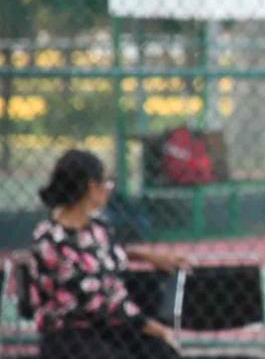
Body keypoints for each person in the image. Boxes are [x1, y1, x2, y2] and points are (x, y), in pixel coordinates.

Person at [30, 149, 188, 359]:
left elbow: (106, 252)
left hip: (110, 329)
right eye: (106, 182)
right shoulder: (50, 240)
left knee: (162, 352)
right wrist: (155, 328)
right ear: (91, 187)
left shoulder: (97, 228)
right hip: (70, 334)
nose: (108, 188)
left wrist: (146, 256)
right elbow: (99, 303)